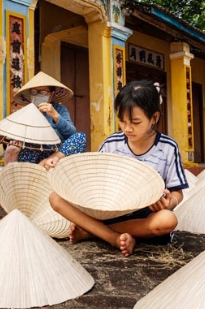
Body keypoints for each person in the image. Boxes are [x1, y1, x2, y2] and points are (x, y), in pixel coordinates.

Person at [49, 80, 188, 256]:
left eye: (136, 122)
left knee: (168, 220)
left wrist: (169, 202)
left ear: (155, 118)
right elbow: (94, 182)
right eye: (122, 121)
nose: (127, 128)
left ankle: (93, 231)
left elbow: (178, 193)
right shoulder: (111, 143)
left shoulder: (168, 147)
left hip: (145, 217)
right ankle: (112, 237)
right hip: (111, 211)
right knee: (55, 198)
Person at [0, 72, 86, 167]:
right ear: (30, 95)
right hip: (31, 152)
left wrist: (56, 116)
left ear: (51, 94)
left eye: (43, 92)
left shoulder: (59, 109)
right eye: (34, 92)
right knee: (19, 147)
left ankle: (47, 161)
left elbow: (71, 133)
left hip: (54, 150)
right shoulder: (26, 111)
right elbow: (16, 138)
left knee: (80, 137)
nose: (38, 95)